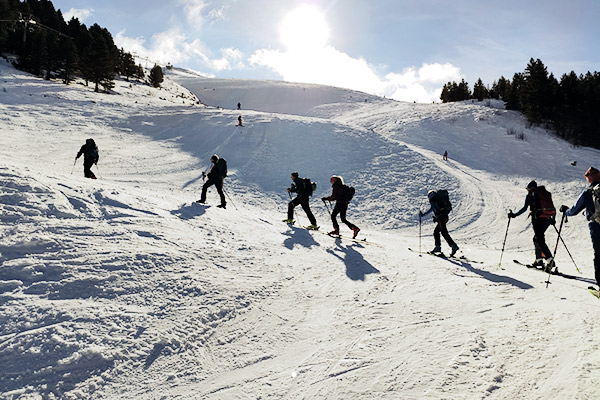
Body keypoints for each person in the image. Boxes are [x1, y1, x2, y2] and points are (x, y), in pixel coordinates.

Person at [560, 167, 600, 290]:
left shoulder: (588, 192)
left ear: (590, 177)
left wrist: (565, 211)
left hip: (596, 225)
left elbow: (574, 210)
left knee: (599, 254)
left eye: (587, 177)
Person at [508, 180, 555, 270]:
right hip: (547, 219)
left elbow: (524, 208)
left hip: (537, 219)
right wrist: (553, 219)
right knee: (537, 238)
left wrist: (514, 215)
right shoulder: (544, 194)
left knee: (539, 239)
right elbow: (553, 207)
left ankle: (549, 259)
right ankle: (539, 259)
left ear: (530, 188)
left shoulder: (531, 195)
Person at [420, 190, 459, 256]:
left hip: (441, 218)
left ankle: (452, 246)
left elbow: (432, 208)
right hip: (444, 217)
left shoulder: (434, 199)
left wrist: (424, 214)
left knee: (443, 232)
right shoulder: (438, 200)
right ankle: (440, 247)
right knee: (437, 231)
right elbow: (438, 211)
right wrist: (436, 218)